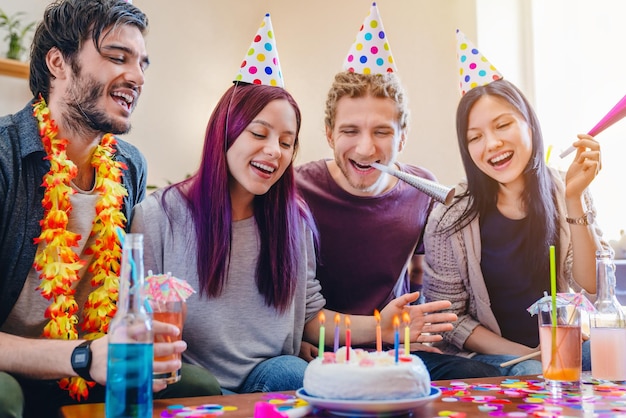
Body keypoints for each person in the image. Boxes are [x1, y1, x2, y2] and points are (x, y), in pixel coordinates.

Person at [130, 13, 456, 394]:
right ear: (226, 130)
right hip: (188, 380)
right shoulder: (159, 215)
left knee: (291, 373)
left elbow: (309, 316)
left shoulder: (294, 219)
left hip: (273, 376)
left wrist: (384, 326)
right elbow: (136, 320)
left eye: (286, 142)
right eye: (259, 133)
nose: (273, 151)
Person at [0, 1, 219, 416]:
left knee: (198, 386)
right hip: (20, 371)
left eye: (142, 64)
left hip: (97, 366)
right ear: (58, 63)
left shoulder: (129, 165)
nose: (136, 76)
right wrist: (83, 356)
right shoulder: (5, 158)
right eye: (118, 57)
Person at [294, 4, 501, 380]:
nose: (365, 149)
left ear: (402, 137)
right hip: (328, 351)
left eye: (382, 132)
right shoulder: (298, 190)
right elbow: (306, 319)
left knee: (479, 376)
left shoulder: (421, 190)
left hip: (400, 350)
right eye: (350, 131)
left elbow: (448, 276)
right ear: (329, 134)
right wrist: (381, 327)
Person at [422, 31, 610, 375]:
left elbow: (592, 289)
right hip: (491, 359)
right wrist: (531, 355)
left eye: (503, 125)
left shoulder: (564, 189)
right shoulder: (450, 215)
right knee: (526, 374)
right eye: (475, 137)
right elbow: (451, 320)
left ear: (529, 124)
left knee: (613, 352)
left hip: (565, 344)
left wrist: (574, 198)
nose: (491, 143)